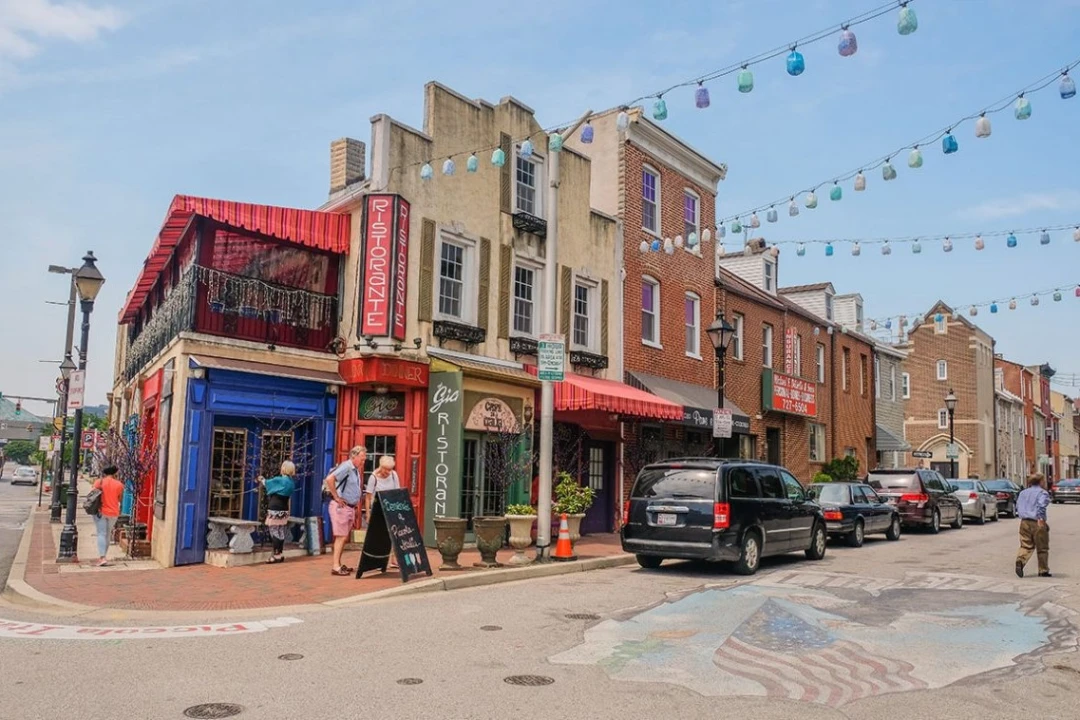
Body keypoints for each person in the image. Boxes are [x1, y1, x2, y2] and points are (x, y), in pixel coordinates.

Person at [324, 446, 365, 576]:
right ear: (354, 456)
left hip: (349, 507)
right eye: (362, 458)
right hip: (341, 507)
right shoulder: (347, 467)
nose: (363, 461)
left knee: (344, 537)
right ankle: (336, 566)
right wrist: (336, 497)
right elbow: (330, 479)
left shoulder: (355, 470)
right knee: (341, 537)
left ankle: (339, 564)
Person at [365, 456, 402, 569]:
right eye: (386, 469)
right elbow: (368, 497)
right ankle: (377, 562)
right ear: (381, 466)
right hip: (377, 510)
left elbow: (397, 492)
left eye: (390, 469)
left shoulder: (394, 475)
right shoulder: (373, 477)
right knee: (378, 536)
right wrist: (368, 514)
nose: (388, 472)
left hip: (391, 508)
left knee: (394, 534)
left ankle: (394, 560)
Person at [259, 460, 296, 564]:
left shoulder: (279, 480)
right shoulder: (291, 482)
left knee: (274, 530)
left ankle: (276, 555)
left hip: (275, 507)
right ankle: (280, 553)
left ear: (283, 468)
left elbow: (267, 483)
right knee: (280, 530)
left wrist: (262, 479)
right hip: (284, 508)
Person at [1015, 472, 1051, 578]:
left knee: (1026, 544)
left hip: (1024, 521)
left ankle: (1020, 560)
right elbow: (1041, 506)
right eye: (1043, 481)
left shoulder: (1023, 493)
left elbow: (1018, 506)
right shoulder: (1042, 493)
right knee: (1042, 547)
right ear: (1040, 482)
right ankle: (1043, 570)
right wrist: (1041, 519)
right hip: (1037, 521)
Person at [93, 466, 125, 567]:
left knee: (101, 533)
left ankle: (102, 557)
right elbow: (120, 499)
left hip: (101, 511)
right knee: (107, 534)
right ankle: (103, 557)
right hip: (113, 512)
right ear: (115, 473)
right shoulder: (119, 484)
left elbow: (93, 496)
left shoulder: (99, 482)